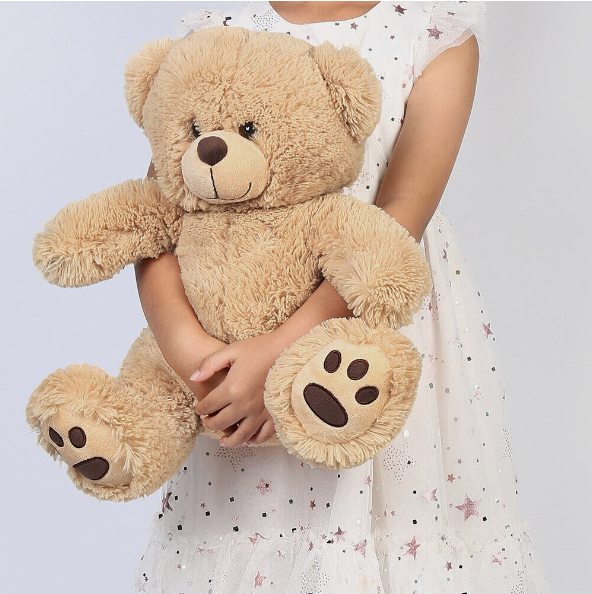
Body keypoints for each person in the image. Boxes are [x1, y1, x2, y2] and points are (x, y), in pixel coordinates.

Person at [134, 2, 552, 592]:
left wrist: (281, 350)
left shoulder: (433, 33)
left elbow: (402, 211)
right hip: (229, 347)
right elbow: (156, 217)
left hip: (365, 331)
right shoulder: (216, 32)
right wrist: (196, 360)